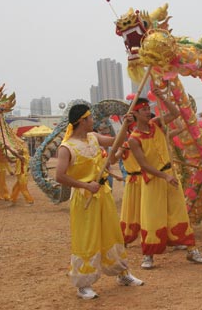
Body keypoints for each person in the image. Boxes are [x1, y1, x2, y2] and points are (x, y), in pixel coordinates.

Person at [56, 104, 143, 300]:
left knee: (113, 233)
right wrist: (86, 186)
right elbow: (59, 176)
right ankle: (83, 285)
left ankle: (122, 274)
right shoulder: (66, 147)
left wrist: (126, 124)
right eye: (90, 118)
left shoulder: (94, 137)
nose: (93, 121)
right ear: (81, 121)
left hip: (103, 193)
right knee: (87, 239)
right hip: (84, 197)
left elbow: (115, 140)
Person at [128, 91, 202, 269]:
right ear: (135, 113)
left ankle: (191, 249)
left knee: (179, 212)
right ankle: (148, 255)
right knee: (152, 216)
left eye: (149, 108)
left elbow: (175, 113)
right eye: (143, 110)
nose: (148, 112)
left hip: (170, 175)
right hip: (153, 179)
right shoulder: (133, 139)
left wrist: (162, 97)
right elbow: (143, 164)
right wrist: (164, 175)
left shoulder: (156, 124)